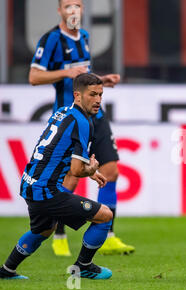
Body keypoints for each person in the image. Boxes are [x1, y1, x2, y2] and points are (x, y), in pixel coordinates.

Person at [28, 0, 134, 256]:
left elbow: (83, 77)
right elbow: (34, 77)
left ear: (83, 9)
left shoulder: (84, 36)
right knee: (72, 176)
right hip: (71, 119)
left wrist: (101, 82)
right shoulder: (52, 39)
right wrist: (65, 72)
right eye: (68, 6)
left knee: (111, 171)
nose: (73, 10)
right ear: (60, 11)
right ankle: (59, 234)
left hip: (95, 116)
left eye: (77, 5)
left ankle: (108, 235)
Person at [0, 73, 113, 280]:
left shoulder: (63, 112)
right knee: (105, 215)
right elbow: (77, 169)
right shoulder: (83, 122)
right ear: (77, 95)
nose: (97, 100)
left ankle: (6, 271)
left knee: (43, 229)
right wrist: (90, 169)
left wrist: (91, 171)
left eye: (100, 95)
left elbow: (60, 151)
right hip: (46, 190)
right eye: (92, 95)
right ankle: (84, 266)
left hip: (30, 184)